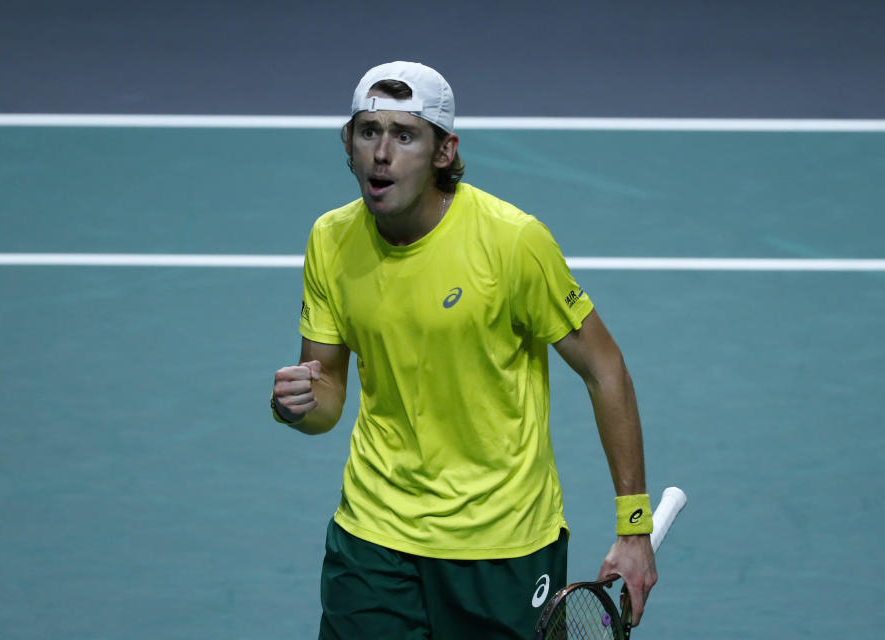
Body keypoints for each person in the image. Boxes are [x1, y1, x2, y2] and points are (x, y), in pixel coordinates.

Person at [271, 61, 657, 639]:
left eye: (405, 136)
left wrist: (633, 528)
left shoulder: (512, 242)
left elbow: (605, 367)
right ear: (346, 143)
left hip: (501, 546)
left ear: (444, 151)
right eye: (369, 131)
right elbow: (326, 396)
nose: (382, 153)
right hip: (374, 538)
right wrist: (297, 405)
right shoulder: (330, 239)